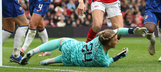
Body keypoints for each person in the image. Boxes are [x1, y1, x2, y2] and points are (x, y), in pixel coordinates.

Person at [20, 27, 148, 66]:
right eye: (116, 40)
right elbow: (109, 61)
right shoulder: (102, 61)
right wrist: (119, 56)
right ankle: (50, 61)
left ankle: (33, 51)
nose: (117, 41)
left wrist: (132, 30)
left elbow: (118, 30)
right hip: (70, 62)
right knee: (69, 57)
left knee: (61, 41)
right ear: (109, 43)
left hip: (71, 47)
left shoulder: (100, 38)